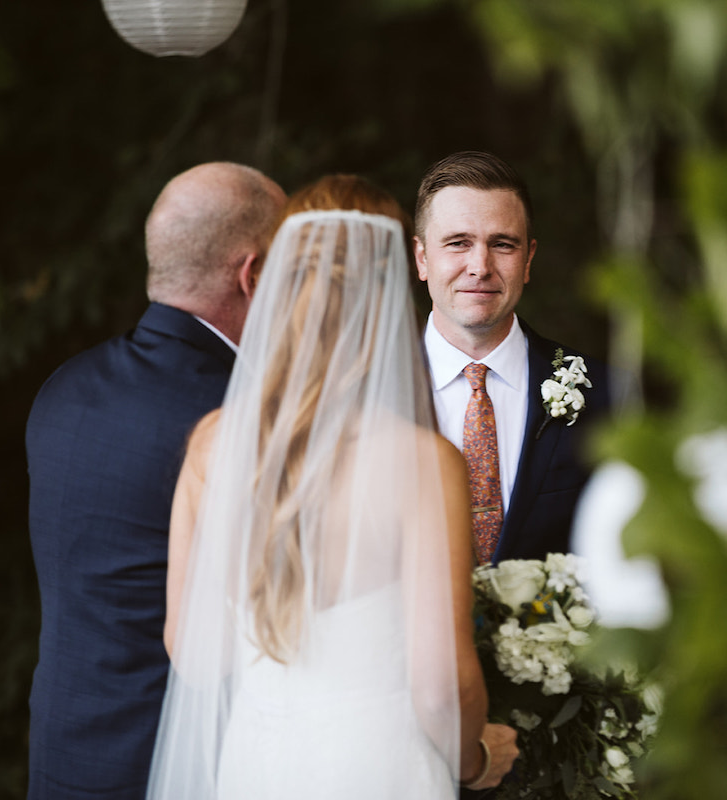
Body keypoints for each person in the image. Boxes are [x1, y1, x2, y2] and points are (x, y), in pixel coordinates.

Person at [148, 175, 518, 798]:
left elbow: (192, 654)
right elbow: (440, 686)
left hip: (255, 766)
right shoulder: (422, 465)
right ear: (388, 291)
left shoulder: (214, 443)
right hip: (380, 768)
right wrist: (476, 758)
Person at [24, 162, 286, 799]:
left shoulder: (65, 387)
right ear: (253, 275)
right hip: (183, 764)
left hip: (62, 752)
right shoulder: (244, 421)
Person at [413, 151, 611, 565]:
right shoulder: (363, 393)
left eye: (502, 244)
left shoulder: (606, 394)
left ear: (528, 259)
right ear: (422, 258)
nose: (480, 266)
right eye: (458, 243)